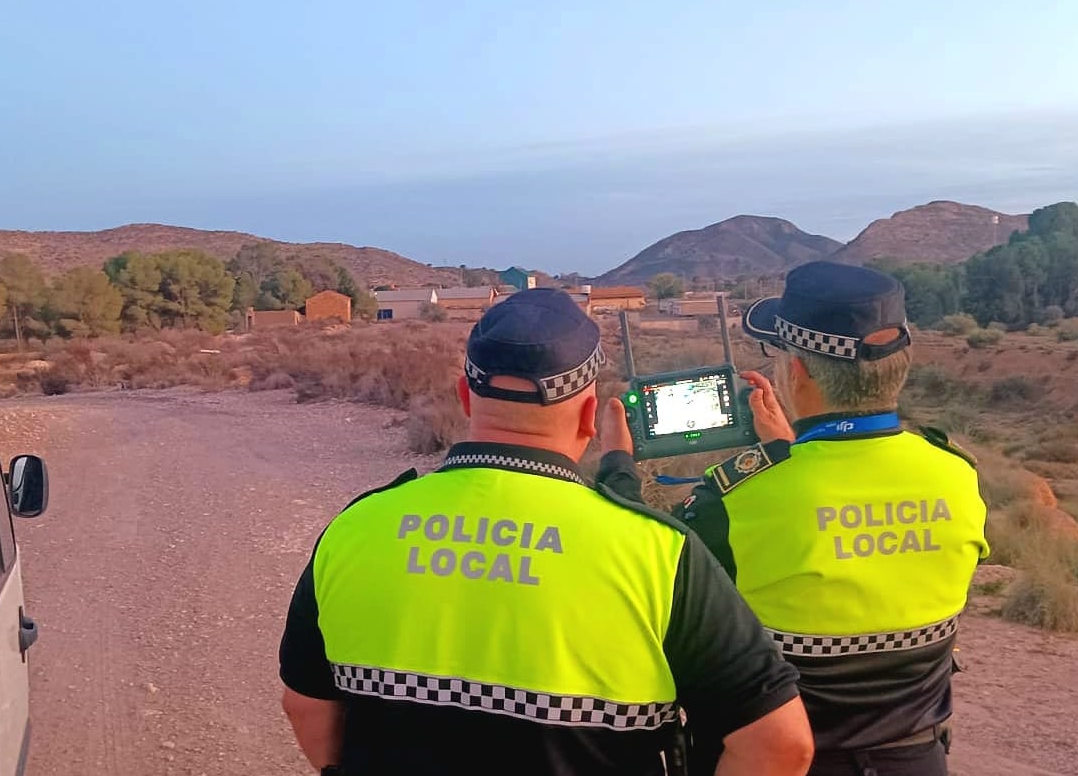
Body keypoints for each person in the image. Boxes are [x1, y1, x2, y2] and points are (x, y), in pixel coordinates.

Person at [277, 287, 814, 776]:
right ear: (587, 414)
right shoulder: (658, 552)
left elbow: (306, 703)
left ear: (466, 398)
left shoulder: (356, 527)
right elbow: (780, 743)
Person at [601, 261, 991, 776]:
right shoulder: (957, 475)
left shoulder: (736, 501)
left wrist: (618, 467)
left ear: (798, 371)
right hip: (917, 759)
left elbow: (640, 565)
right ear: (898, 366)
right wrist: (790, 450)